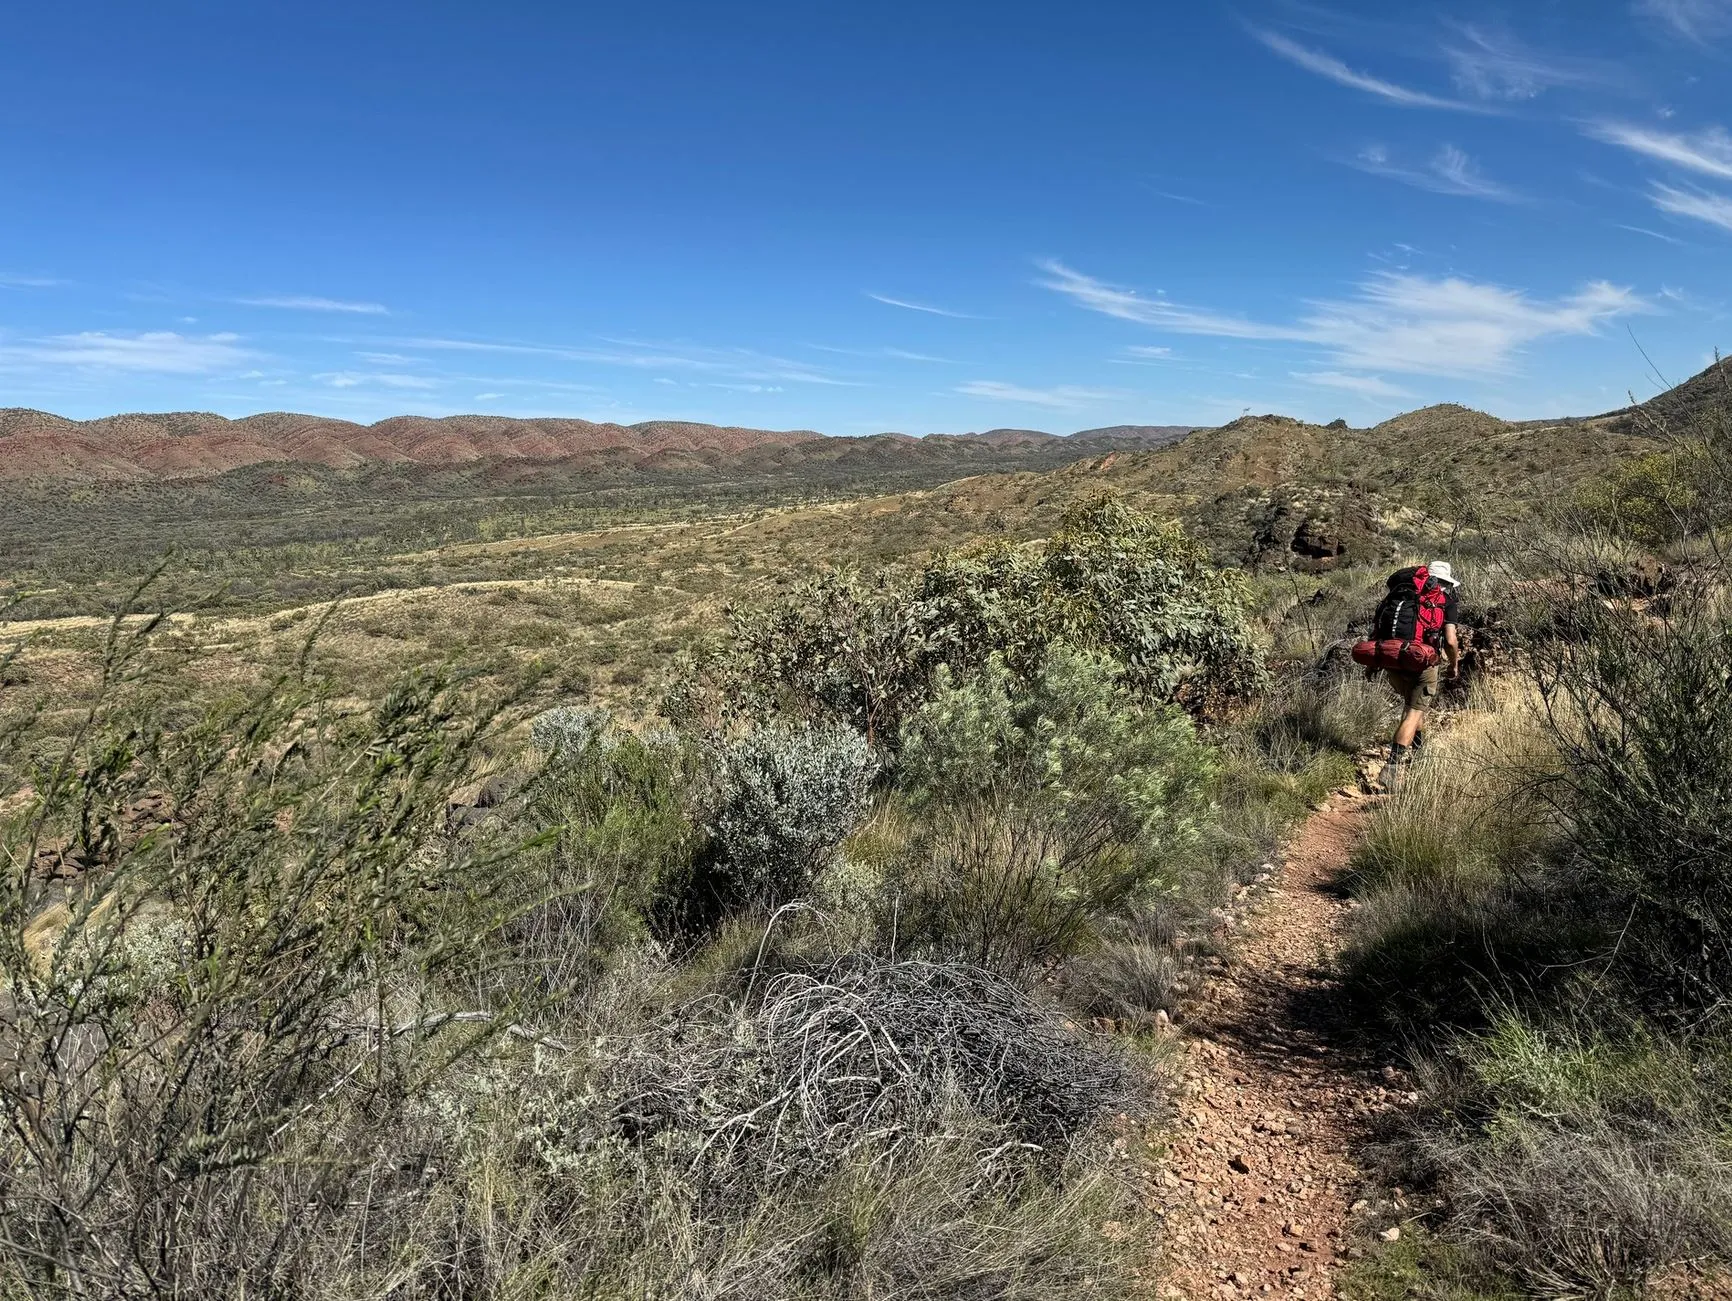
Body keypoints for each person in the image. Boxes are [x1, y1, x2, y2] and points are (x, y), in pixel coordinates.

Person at [1378, 559, 1461, 790]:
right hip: (1423, 661)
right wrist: (1454, 665)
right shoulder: (1446, 601)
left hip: (1391, 657)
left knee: (1413, 705)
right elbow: (1451, 641)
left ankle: (1419, 752)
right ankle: (1391, 768)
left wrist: (1372, 664)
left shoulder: (1400, 595)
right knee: (1413, 712)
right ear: (1446, 582)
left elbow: (1377, 627)